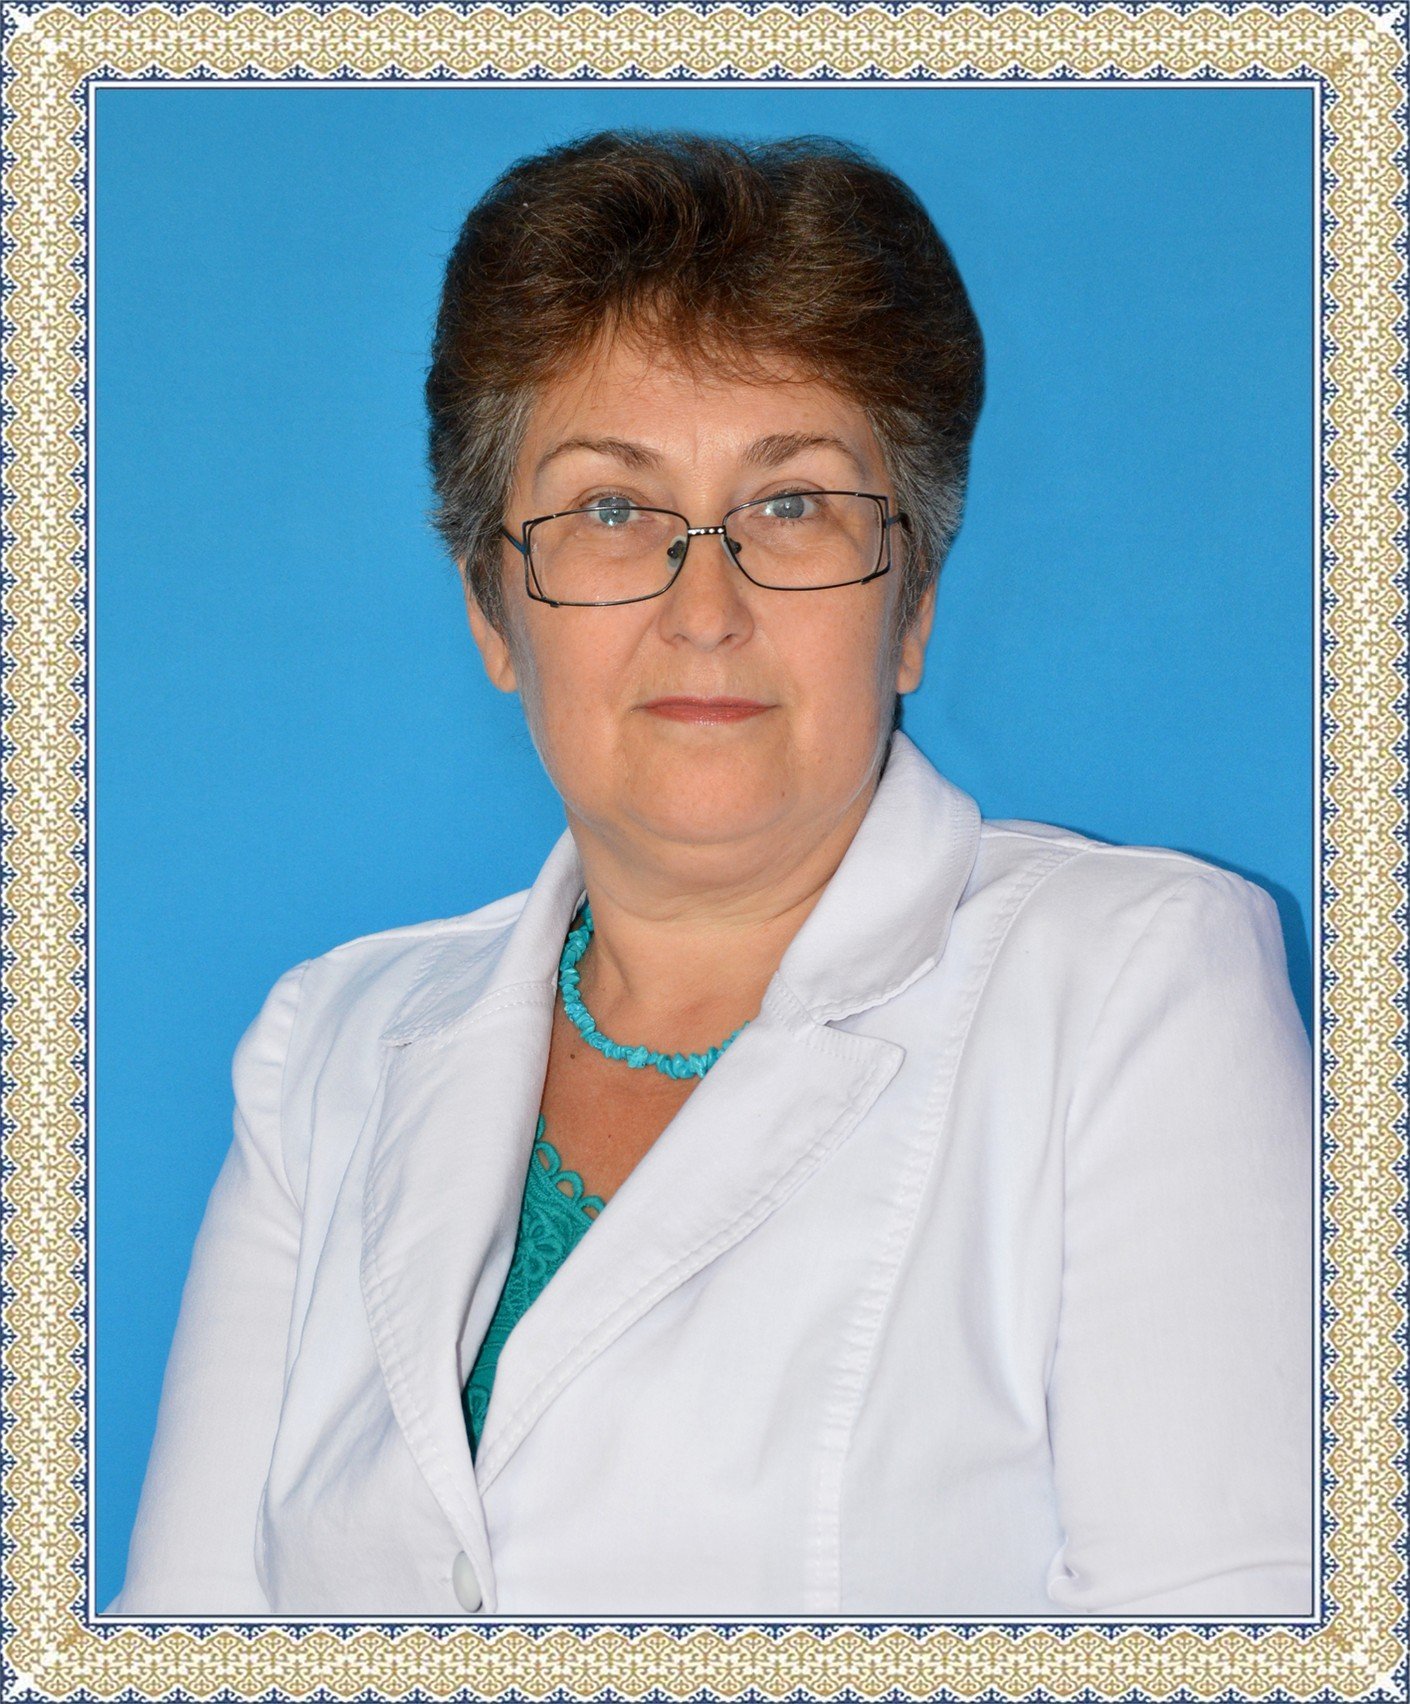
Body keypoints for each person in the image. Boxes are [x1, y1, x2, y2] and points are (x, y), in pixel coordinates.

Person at [107, 129, 1313, 1619]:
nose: (705, 607)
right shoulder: (331, 1046)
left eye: (791, 505)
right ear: (493, 609)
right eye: (611, 512)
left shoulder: (1136, 984)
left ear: (913, 606)